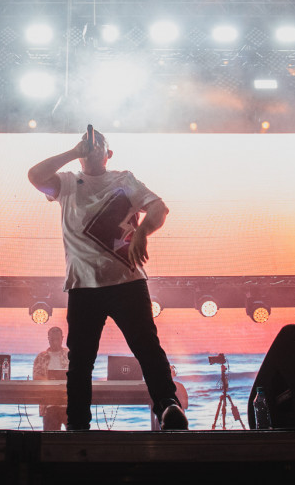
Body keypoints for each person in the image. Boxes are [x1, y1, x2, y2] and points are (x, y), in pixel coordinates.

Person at [28, 130, 188, 431]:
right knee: (81, 361)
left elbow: (158, 207)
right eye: (86, 145)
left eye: (97, 145)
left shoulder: (124, 179)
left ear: (108, 154)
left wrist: (142, 232)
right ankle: (78, 425)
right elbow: (35, 176)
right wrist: (73, 152)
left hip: (127, 281)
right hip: (83, 286)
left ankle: (169, 406)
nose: (90, 149)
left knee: (147, 349)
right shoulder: (66, 183)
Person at [32, 325, 71, 430]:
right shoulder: (41, 357)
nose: (55, 342)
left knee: (73, 435)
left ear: (62, 338)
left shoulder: (69, 355)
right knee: (50, 436)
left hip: (68, 402)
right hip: (49, 403)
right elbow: (36, 377)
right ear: (48, 339)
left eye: (57, 339)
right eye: (52, 339)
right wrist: (49, 382)